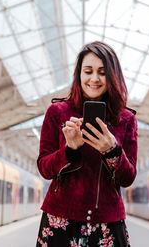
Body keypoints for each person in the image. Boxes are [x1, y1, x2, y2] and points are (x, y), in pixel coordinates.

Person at [36, 41, 138, 247]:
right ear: (79, 74)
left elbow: (128, 177)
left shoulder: (126, 119)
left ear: (112, 76)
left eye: (102, 72)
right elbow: (44, 168)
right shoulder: (57, 112)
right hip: (60, 221)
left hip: (108, 222)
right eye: (88, 71)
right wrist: (70, 149)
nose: (94, 79)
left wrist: (111, 150)